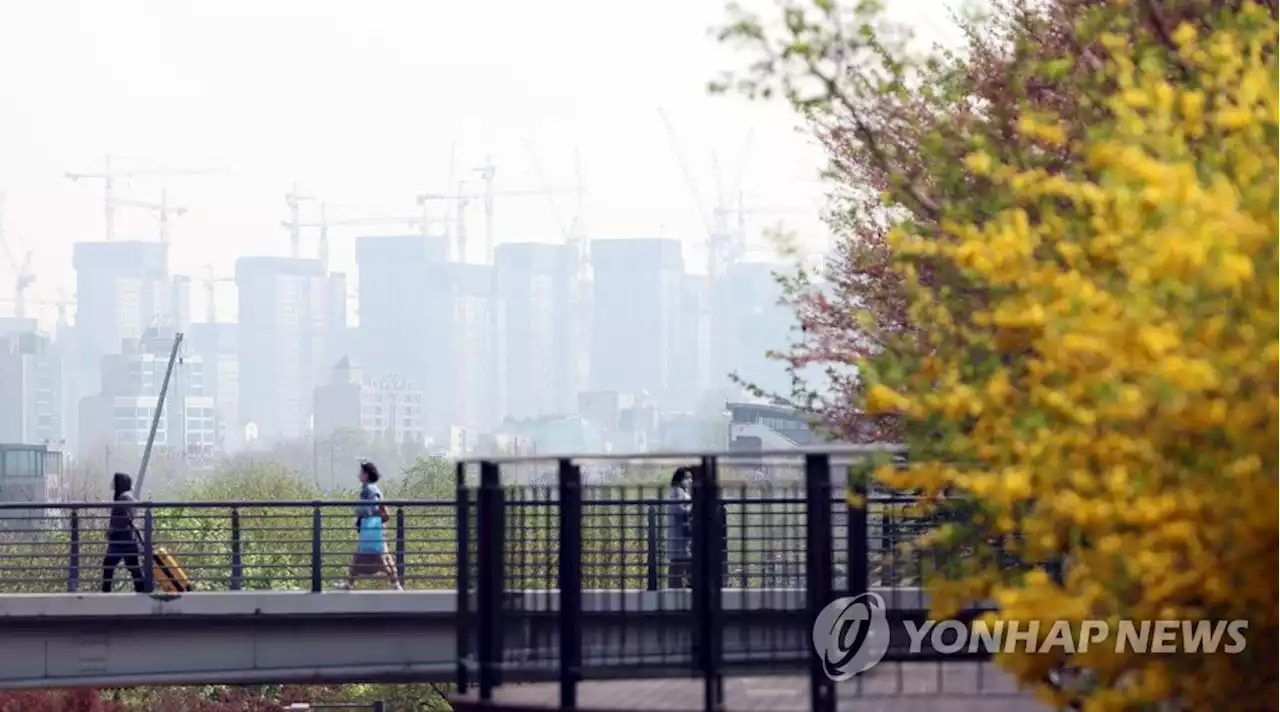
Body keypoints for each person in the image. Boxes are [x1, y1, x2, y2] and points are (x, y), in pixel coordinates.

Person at [334, 461, 402, 591]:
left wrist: (361, 511)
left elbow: (373, 506)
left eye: (361, 472)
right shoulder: (372, 488)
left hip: (372, 527)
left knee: (377, 556)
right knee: (375, 556)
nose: (358, 475)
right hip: (375, 527)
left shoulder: (369, 489)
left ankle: (395, 584)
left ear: (366, 475)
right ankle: (395, 584)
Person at [102, 472, 146, 593]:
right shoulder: (128, 496)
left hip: (120, 539)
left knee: (108, 565)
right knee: (133, 567)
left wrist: (112, 529)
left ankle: (105, 594)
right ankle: (142, 593)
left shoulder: (123, 498)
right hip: (128, 538)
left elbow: (123, 518)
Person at [666, 467, 693, 589]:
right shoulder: (677, 491)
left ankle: (680, 587)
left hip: (682, 535)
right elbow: (678, 509)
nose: (690, 481)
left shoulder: (681, 491)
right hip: (679, 534)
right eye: (687, 477)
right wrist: (693, 508)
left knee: (680, 564)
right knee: (678, 564)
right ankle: (676, 588)